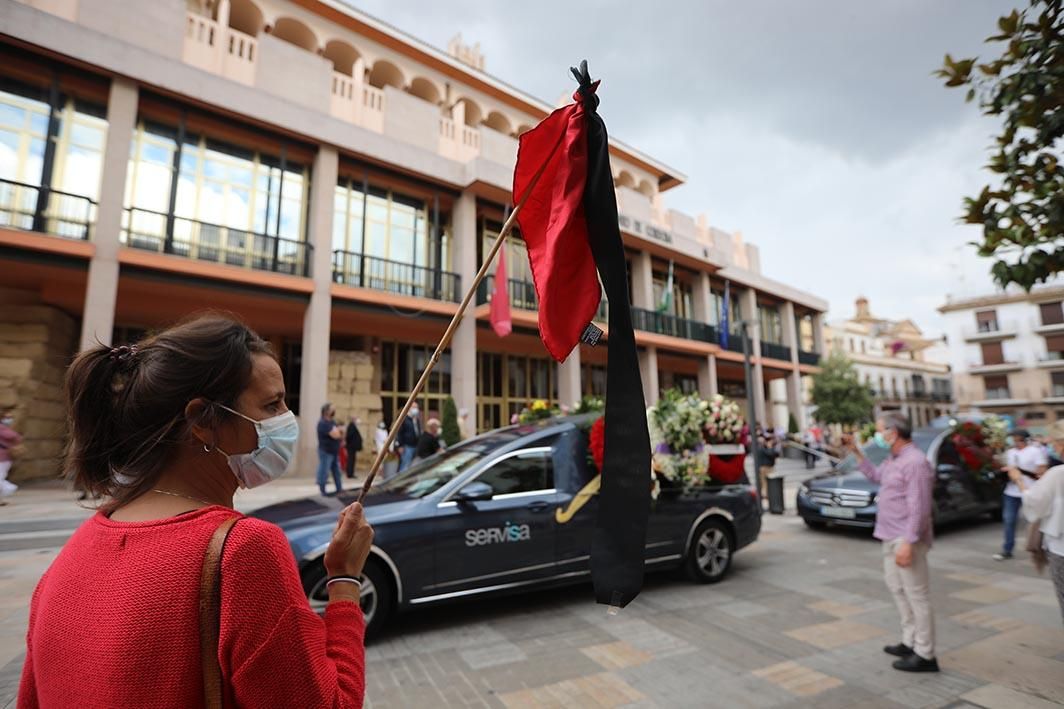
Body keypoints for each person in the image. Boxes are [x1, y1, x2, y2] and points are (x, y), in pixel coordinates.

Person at [17, 314, 373, 708]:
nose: (287, 420)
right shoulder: (244, 551)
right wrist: (344, 581)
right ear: (203, 421)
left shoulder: (76, 550)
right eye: (272, 405)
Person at [848, 412, 938, 672]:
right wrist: (857, 453)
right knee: (898, 591)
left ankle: (925, 653)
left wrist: (909, 542)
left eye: (879, 431)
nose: (877, 436)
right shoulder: (893, 458)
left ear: (893, 433)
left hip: (905, 537)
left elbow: (920, 507)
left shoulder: (915, 462)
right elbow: (877, 477)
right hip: (888, 534)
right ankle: (909, 641)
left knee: (917, 595)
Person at [1008, 420, 1064, 623]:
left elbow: (1034, 503)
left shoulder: (1057, 474)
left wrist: (1019, 480)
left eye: (1055, 444)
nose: (1053, 448)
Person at [996, 428, 1048, 561]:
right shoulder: (1010, 452)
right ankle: (1007, 550)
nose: (1014, 441)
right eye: (1013, 438)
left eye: (1016, 438)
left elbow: (1041, 472)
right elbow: (1009, 470)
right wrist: (1007, 473)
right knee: (1009, 520)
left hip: (1031, 491)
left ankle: (1039, 548)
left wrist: (1022, 474)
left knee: (1035, 521)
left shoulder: (1035, 452)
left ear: (1023, 439)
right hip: (1011, 492)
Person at [316, 403, 344, 496]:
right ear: (326, 411)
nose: (333, 411)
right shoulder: (323, 423)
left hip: (334, 452)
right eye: (332, 409)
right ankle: (322, 491)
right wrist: (339, 431)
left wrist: (339, 431)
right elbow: (336, 435)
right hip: (326, 451)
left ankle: (339, 489)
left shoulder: (332, 422)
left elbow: (340, 433)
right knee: (324, 471)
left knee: (337, 471)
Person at [0, 409, 23, 504]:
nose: (9, 419)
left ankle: (9, 488)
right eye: (7, 417)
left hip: (3, 458)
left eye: (10, 418)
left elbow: (15, 436)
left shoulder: (2, 428)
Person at [395, 404, 421, 473]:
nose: (416, 409)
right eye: (414, 407)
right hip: (407, 446)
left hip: (415, 446)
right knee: (405, 465)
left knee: (412, 466)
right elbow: (399, 433)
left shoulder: (416, 420)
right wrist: (400, 445)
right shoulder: (404, 419)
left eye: (416, 407)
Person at [344, 415, 363, 480]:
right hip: (351, 447)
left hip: (352, 447)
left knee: (352, 460)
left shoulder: (353, 426)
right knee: (350, 460)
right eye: (355, 419)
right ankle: (349, 474)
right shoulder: (351, 426)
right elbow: (349, 436)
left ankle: (351, 473)